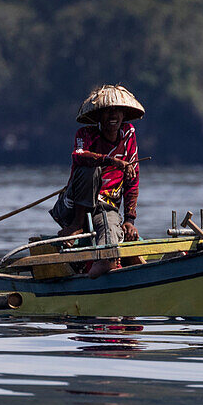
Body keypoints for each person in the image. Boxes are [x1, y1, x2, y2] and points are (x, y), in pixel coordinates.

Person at [49, 84, 144, 277]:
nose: (112, 116)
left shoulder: (129, 134)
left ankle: (106, 260)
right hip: (73, 207)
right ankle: (79, 228)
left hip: (105, 207)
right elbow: (80, 156)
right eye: (107, 111)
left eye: (117, 110)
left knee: (109, 222)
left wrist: (129, 219)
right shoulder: (85, 135)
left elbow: (132, 180)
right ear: (99, 116)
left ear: (123, 114)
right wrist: (110, 161)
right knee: (90, 170)